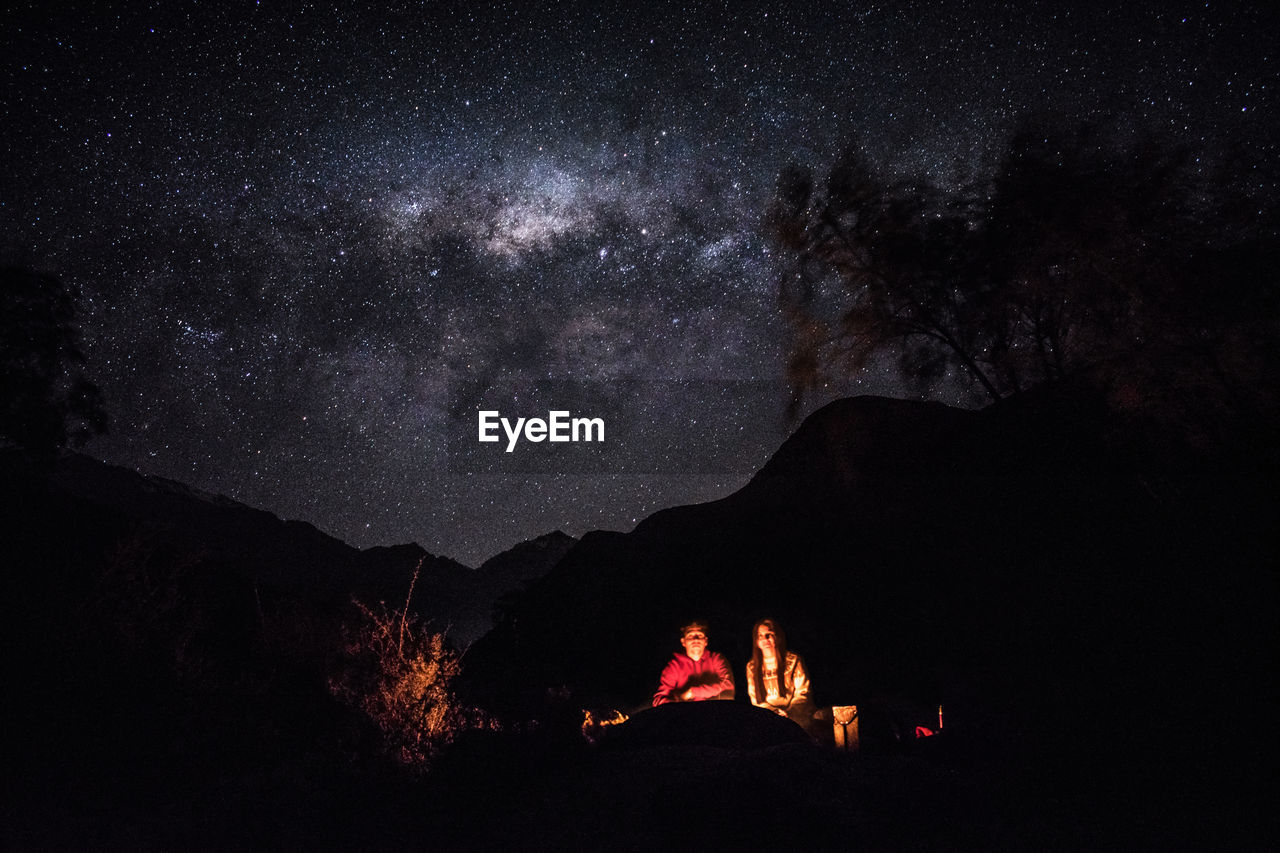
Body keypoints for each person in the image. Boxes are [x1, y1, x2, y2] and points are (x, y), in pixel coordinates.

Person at [745, 618, 814, 728]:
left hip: (796, 715)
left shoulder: (793, 661)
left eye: (769, 634)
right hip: (768, 716)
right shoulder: (752, 667)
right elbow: (755, 700)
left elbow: (803, 693)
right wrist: (774, 712)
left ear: (777, 637)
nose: (765, 639)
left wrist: (789, 713)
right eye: (760, 636)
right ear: (756, 642)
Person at [652, 620, 736, 706]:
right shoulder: (674, 666)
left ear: (706, 641)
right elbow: (659, 699)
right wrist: (678, 705)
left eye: (699, 635)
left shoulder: (717, 659)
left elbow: (728, 685)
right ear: (683, 642)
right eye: (690, 636)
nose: (696, 639)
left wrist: (693, 692)